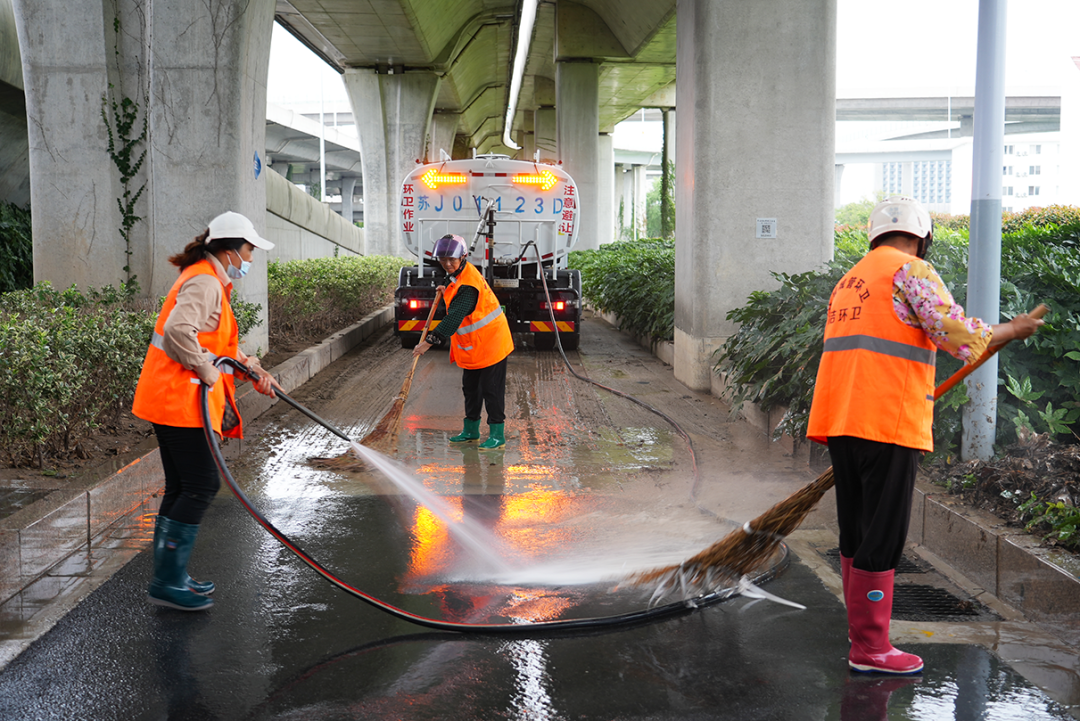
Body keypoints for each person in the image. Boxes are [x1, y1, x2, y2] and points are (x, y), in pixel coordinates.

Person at [806, 196, 1042, 674]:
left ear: (873, 235)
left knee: (857, 529)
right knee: (883, 534)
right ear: (923, 238)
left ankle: (860, 637)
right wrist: (1011, 329)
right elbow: (956, 333)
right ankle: (871, 649)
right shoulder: (910, 270)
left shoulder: (850, 280)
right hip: (887, 421)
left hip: (844, 421)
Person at [132, 211, 281, 611]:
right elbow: (179, 331)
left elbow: (218, 345)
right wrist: (206, 370)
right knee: (201, 486)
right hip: (180, 400)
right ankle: (167, 581)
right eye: (249, 249)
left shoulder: (208, 277)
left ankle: (171, 576)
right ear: (231, 250)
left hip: (171, 398)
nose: (251, 258)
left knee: (183, 487)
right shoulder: (205, 281)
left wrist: (252, 370)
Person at [412, 234, 515, 449]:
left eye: (452, 259)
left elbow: (453, 319)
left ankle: (497, 435)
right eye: (443, 259)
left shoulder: (469, 285)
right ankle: (470, 431)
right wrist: (445, 289)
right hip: (474, 344)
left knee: (491, 390)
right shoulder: (458, 275)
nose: (447, 264)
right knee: (471, 388)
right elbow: (454, 286)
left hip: (492, 342)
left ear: (463, 257)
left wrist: (427, 343)